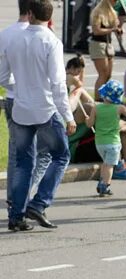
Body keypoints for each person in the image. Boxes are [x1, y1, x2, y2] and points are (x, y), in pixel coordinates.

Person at [0, 0, 76, 232]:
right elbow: (58, 84)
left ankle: (16, 215)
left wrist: (20, 86)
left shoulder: (13, 38)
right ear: (49, 16)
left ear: (30, 13)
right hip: (44, 108)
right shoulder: (50, 41)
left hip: (21, 106)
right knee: (61, 155)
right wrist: (69, 116)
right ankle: (40, 202)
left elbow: (3, 76)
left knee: (23, 162)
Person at [87, 80, 126, 197]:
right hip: (113, 143)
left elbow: (89, 124)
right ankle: (106, 185)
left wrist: (86, 120)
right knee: (110, 166)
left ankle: (101, 182)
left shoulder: (96, 108)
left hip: (99, 143)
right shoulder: (118, 108)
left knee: (106, 163)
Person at [90, 0, 121, 99]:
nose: (116, 2)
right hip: (98, 45)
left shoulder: (112, 12)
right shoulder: (98, 12)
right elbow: (96, 31)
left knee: (108, 74)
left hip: (108, 45)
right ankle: (98, 99)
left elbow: (115, 29)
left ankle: (104, 97)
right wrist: (112, 29)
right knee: (102, 73)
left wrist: (118, 30)